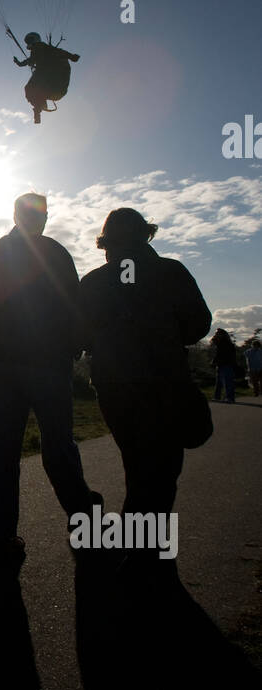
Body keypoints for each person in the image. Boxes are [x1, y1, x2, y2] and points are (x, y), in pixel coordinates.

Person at [0, 193, 100, 569]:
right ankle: (83, 518)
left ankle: (3, 539)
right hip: (48, 365)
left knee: (3, 452)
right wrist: (74, 346)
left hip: (2, 367)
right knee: (59, 446)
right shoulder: (57, 254)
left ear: (15, 215)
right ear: (42, 218)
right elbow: (76, 309)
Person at [78, 209, 212, 563]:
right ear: (145, 236)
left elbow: (78, 334)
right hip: (164, 380)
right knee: (163, 468)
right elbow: (199, 323)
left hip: (113, 385)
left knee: (137, 463)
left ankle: (138, 549)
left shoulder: (93, 281)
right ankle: (143, 554)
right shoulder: (171, 271)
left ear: (107, 243)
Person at [13, 31, 79, 124]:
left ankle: (39, 107)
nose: (29, 43)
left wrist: (19, 63)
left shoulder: (39, 48)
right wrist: (72, 56)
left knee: (29, 89)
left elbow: (31, 60)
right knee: (34, 89)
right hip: (58, 91)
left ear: (35, 39)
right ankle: (39, 106)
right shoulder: (48, 49)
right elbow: (60, 52)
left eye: (30, 40)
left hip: (53, 82)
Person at [210, 328, 238, 403]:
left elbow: (225, 355)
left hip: (227, 365)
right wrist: (214, 361)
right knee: (219, 382)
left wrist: (216, 361)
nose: (216, 334)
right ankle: (218, 397)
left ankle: (229, 398)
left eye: (217, 333)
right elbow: (218, 354)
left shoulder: (226, 344)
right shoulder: (219, 343)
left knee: (227, 382)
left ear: (222, 335)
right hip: (221, 365)